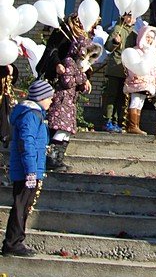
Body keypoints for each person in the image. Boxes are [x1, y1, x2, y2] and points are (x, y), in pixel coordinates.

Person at [2, 78, 54, 257]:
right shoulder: (31, 115)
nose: (51, 101)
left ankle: (15, 241)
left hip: (30, 168)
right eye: (49, 97)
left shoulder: (34, 114)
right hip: (26, 170)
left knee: (23, 206)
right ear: (40, 98)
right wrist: (31, 170)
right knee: (21, 205)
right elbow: (27, 142)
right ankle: (13, 243)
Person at [47, 34, 92, 170]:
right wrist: (82, 76)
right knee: (61, 131)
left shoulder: (77, 66)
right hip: (62, 104)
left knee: (66, 133)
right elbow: (67, 81)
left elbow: (75, 85)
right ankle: (52, 160)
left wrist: (83, 84)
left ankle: (59, 159)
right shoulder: (68, 61)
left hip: (68, 105)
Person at [123, 23, 156, 135]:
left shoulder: (153, 53)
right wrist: (133, 75)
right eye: (147, 37)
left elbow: (155, 69)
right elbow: (131, 63)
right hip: (137, 80)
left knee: (140, 102)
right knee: (135, 101)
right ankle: (132, 125)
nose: (149, 40)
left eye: (151, 38)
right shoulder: (137, 50)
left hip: (147, 82)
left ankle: (136, 125)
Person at [101, 10, 134, 132]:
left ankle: (116, 121)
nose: (131, 18)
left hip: (126, 69)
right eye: (129, 16)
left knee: (120, 97)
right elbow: (108, 47)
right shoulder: (118, 29)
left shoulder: (133, 32)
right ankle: (107, 120)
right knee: (112, 95)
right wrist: (115, 42)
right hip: (115, 67)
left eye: (133, 16)